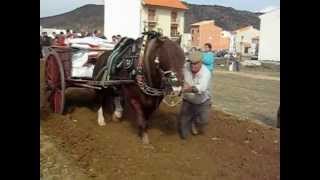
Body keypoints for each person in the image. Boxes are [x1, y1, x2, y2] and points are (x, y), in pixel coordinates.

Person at [178, 51, 212, 139]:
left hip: (202, 101)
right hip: (188, 101)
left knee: (203, 121)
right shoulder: (185, 67)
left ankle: (195, 122)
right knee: (183, 131)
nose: (193, 65)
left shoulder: (206, 73)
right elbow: (177, 75)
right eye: (191, 63)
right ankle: (186, 127)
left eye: (196, 63)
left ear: (201, 62)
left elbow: (199, 89)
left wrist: (184, 89)